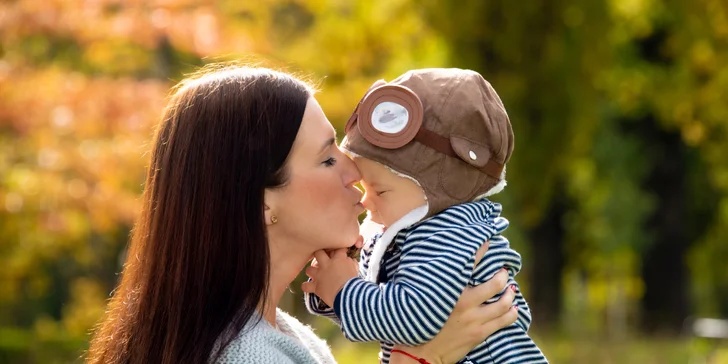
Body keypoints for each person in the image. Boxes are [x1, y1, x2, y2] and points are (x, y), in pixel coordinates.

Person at [85, 65, 519, 364]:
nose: (354, 171)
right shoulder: (248, 355)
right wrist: (424, 356)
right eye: (327, 159)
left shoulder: (284, 336)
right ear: (261, 203)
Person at [304, 69, 548, 363]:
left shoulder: (450, 234)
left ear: (438, 191)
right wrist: (331, 287)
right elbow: (380, 304)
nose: (365, 201)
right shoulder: (413, 227)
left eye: (379, 191)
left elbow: (413, 318)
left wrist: (343, 291)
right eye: (364, 187)